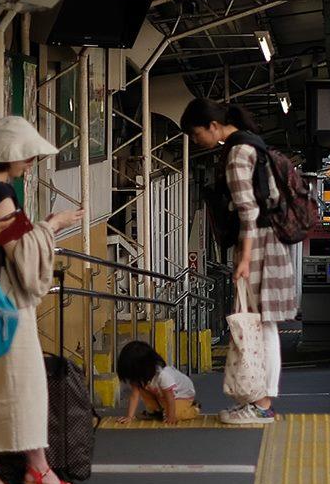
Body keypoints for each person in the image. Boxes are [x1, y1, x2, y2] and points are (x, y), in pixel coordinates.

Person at [0, 117, 79, 484]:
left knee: (1, 385)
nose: (31, 162)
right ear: (11, 153)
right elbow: (21, 250)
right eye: (28, 155)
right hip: (7, 300)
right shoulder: (0, 192)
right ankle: (36, 469)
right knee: (23, 385)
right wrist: (52, 226)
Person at [180, 100, 295, 426]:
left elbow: (248, 210)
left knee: (256, 325)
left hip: (257, 245)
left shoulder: (236, 154)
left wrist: (243, 259)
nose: (195, 140)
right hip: (270, 241)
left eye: (196, 133)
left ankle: (260, 405)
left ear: (212, 126)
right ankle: (263, 403)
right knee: (266, 325)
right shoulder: (253, 143)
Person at [113, 340, 198, 425]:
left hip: (181, 395)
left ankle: (194, 409)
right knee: (141, 389)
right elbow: (134, 396)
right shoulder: (138, 378)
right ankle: (157, 411)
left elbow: (170, 397)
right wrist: (129, 417)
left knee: (175, 414)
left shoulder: (163, 375)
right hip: (161, 396)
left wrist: (171, 416)